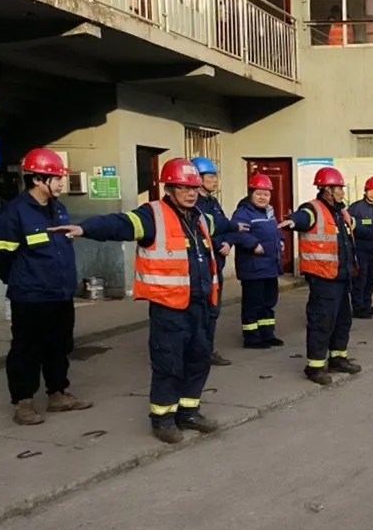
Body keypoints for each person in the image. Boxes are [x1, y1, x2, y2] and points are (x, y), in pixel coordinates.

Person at [48, 158, 248, 444]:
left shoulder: (201, 218)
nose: (190, 193)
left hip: (202, 305)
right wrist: (85, 229)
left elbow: (222, 224)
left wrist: (239, 226)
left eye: (193, 187)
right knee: (169, 365)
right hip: (170, 309)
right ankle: (163, 419)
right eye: (183, 187)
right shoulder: (152, 216)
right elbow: (119, 224)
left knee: (198, 361)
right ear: (169, 189)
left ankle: (189, 412)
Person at [0, 147, 93, 426]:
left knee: (59, 346)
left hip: (60, 294)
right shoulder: (12, 213)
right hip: (30, 297)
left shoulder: (58, 209)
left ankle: (58, 395)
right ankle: (23, 403)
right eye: (55, 178)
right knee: (26, 350)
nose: (61, 183)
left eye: (61, 177)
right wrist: (21, 279)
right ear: (37, 179)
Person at [278, 166, 362, 385]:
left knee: (342, 321)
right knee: (321, 321)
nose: (342, 192)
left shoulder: (341, 212)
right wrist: (292, 221)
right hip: (323, 278)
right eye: (338, 188)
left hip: (342, 277)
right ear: (327, 189)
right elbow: (302, 218)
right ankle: (314, 367)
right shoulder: (312, 209)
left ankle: (338, 358)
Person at [229, 173, 285, 349]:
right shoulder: (243, 212)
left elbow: (274, 231)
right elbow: (238, 233)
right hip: (253, 268)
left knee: (268, 303)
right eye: (258, 193)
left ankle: (267, 334)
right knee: (253, 304)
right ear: (250, 193)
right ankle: (252, 338)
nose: (262, 197)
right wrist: (253, 244)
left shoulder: (269, 212)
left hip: (269, 267)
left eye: (266, 194)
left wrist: (280, 240)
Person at [191, 156, 232, 367]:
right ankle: (198, 352)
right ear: (198, 178)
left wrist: (229, 241)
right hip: (202, 267)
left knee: (213, 311)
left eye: (215, 176)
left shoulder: (212, 202)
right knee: (201, 311)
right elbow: (200, 231)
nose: (215, 180)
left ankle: (207, 350)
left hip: (216, 266)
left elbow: (225, 225)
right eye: (211, 176)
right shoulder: (194, 203)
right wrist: (217, 243)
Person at [348, 176, 373, 319]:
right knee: (360, 279)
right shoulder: (356, 208)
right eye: (370, 190)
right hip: (359, 247)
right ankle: (358, 308)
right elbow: (347, 226)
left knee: (370, 279)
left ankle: (367, 306)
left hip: (371, 246)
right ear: (365, 191)